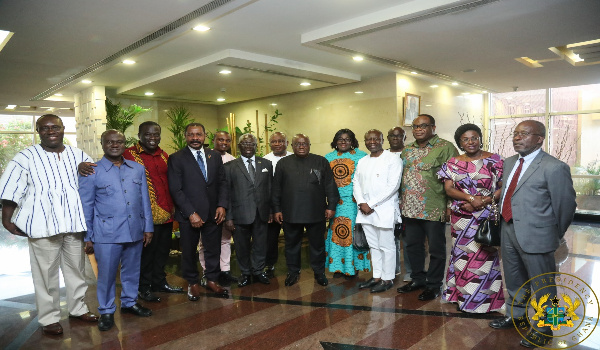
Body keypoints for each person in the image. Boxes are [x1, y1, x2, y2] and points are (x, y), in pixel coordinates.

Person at [0, 114, 98, 336]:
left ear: (63, 129)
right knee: (45, 274)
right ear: (38, 131)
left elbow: (93, 182)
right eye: (44, 128)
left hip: (73, 223)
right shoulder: (25, 156)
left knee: (76, 270)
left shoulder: (78, 154)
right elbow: (11, 188)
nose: (50, 131)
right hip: (42, 224)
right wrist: (6, 218)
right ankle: (49, 318)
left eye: (55, 127)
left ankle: (78, 308)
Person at [488, 120, 576, 348]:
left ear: (539, 139)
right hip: (508, 230)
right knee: (515, 279)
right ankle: (516, 316)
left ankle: (546, 328)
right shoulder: (509, 163)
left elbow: (565, 205)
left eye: (524, 134)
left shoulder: (554, 167)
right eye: (515, 133)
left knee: (544, 285)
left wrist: (553, 235)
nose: (517, 138)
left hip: (538, 236)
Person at [79, 130, 154, 331]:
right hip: (106, 233)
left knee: (132, 270)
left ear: (124, 144)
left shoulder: (137, 169)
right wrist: (88, 236)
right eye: (110, 142)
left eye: (119, 142)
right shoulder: (92, 171)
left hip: (135, 230)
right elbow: (86, 206)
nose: (115, 145)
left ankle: (129, 303)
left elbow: (145, 200)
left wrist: (148, 227)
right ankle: (106, 310)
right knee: (107, 274)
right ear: (102, 144)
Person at [437, 124, 505, 313]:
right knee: (463, 257)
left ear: (480, 139)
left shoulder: (495, 160)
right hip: (462, 218)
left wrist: (484, 201)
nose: (470, 142)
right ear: (460, 142)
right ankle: (463, 298)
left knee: (485, 257)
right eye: (465, 139)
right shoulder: (452, 163)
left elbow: (502, 186)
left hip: (486, 216)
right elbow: (449, 189)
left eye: (474, 138)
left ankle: (486, 302)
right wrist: (470, 198)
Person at [397, 114, 458, 301]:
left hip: (433, 207)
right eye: (415, 127)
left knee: (436, 249)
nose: (418, 129)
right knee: (412, 246)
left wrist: (449, 206)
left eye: (423, 126)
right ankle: (417, 279)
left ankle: (434, 284)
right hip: (409, 208)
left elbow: (454, 178)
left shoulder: (446, 147)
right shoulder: (406, 150)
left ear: (433, 127)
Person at [168, 123, 228, 299]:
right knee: (188, 251)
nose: (195, 138)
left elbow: (222, 182)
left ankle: (211, 280)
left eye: (198, 135)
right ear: (186, 136)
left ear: (205, 136)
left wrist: (222, 205)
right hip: (189, 215)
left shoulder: (214, 156)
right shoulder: (177, 158)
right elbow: (175, 189)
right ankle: (192, 283)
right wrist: (190, 213)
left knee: (213, 249)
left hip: (213, 213)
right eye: (191, 135)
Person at [124, 122, 183, 301]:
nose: (152, 138)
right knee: (145, 254)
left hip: (166, 213)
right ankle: (143, 287)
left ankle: (159, 282)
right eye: (148, 134)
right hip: (143, 215)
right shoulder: (128, 155)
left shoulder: (164, 155)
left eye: (156, 134)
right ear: (139, 135)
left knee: (162, 252)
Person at [272, 134, 339, 287]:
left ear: (309, 145)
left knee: (317, 245)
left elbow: (330, 185)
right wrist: (276, 209)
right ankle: (293, 272)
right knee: (291, 245)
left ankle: (319, 272)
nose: (301, 146)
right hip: (291, 212)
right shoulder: (283, 163)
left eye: (304, 144)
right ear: (292, 146)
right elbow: (276, 189)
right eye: (297, 144)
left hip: (316, 212)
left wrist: (331, 206)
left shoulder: (321, 161)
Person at [353, 130, 403, 293]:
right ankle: (376, 277)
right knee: (373, 246)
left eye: (376, 139)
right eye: (368, 139)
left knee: (386, 246)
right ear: (365, 141)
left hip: (384, 209)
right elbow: (356, 183)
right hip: (365, 211)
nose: (372, 141)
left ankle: (387, 278)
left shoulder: (393, 159)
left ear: (382, 140)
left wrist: (371, 204)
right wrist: (361, 202)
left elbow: (393, 186)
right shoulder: (362, 161)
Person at [224, 134, 273, 287]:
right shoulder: (230, 167)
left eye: (251, 143)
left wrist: (271, 211)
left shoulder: (266, 164)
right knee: (241, 246)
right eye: (244, 143)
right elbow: (227, 194)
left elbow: (270, 189)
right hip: (239, 214)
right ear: (239, 146)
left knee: (260, 245)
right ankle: (245, 273)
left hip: (262, 213)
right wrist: (229, 217)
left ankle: (258, 271)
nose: (248, 146)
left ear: (256, 146)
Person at [324, 129, 369, 279]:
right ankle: (338, 267)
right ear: (335, 141)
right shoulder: (328, 158)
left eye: (347, 139)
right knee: (336, 235)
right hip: (335, 203)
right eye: (340, 139)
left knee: (351, 234)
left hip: (354, 202)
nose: (343, 142)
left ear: (352, 141)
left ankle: (351, 267)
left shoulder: (362, 157)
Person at [199, 131, 237, 285]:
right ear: (213, 140)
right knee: (205, 243)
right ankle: (206, 272)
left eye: (227, 140)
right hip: (207, 208)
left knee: (225, 240)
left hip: (226, 207)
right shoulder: (204, 157)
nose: (224, 143)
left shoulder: (233, 160)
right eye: (220, 139)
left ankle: (225, 270)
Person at [262, 132, 292, 277]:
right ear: (270, 144)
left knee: (292, 238)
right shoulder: (264, 160)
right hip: (272, 208)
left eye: (281, 141)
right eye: (274, 142)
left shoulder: (294, 158)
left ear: (287, 143)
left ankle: (292, 266)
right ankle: (269, 265)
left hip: (291, 207)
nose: (278, 144)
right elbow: (262, 188)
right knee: (270, 239)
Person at [387, 127, 412, 282]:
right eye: (392, 136)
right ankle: (392, 269)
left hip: (408, 202)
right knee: (390, 238)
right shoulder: (382, 155)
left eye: (399, 136)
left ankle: (410, 271)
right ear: (387, 138)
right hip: (388, 203)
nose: (395, 138)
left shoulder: (409, 153)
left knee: (408, 239)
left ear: (404, 137)